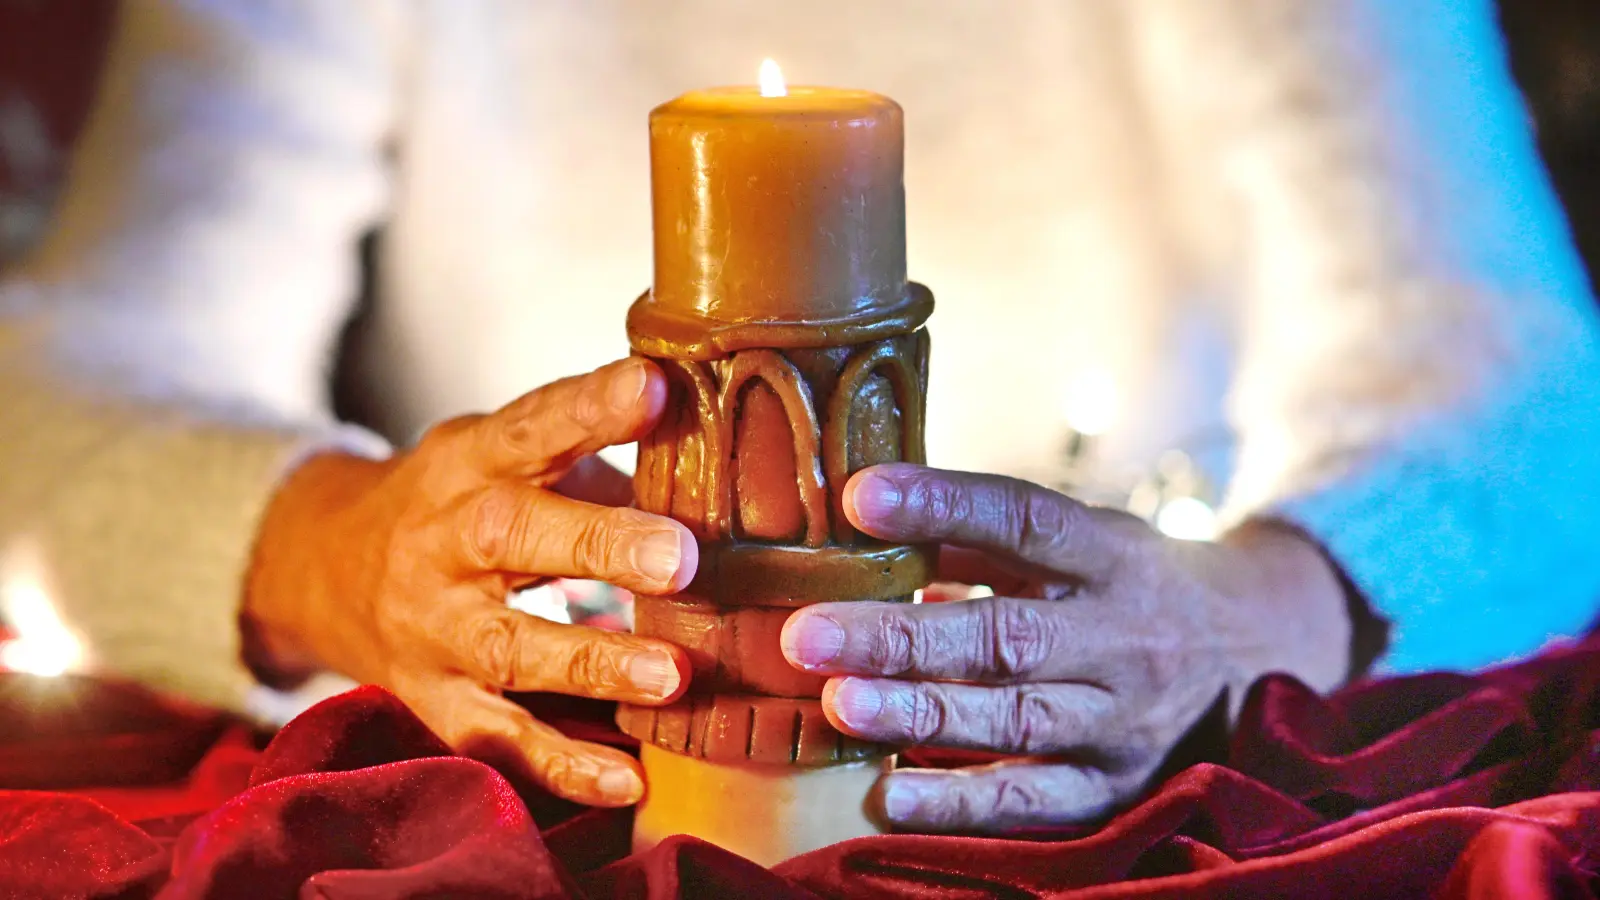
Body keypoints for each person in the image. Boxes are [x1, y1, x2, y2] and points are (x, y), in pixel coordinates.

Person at [4, 0, 1600, 832]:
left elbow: (1522, 373)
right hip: (601, 755)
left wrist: (1258, 609)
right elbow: (59, 389)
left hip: (1104, 776)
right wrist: (333, 549)